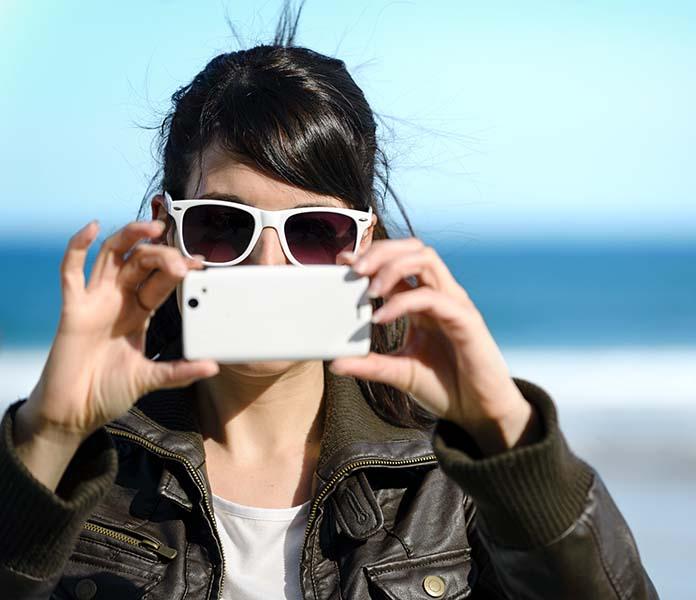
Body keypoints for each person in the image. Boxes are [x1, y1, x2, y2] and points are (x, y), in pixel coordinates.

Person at [0, 5, 658, 599]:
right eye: (222, 225)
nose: (266, 264)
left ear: (363, 241)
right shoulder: (75, 469)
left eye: (313, 232)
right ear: (165, 228)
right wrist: (50, 435)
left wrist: (504, 430)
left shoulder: (448, 487)